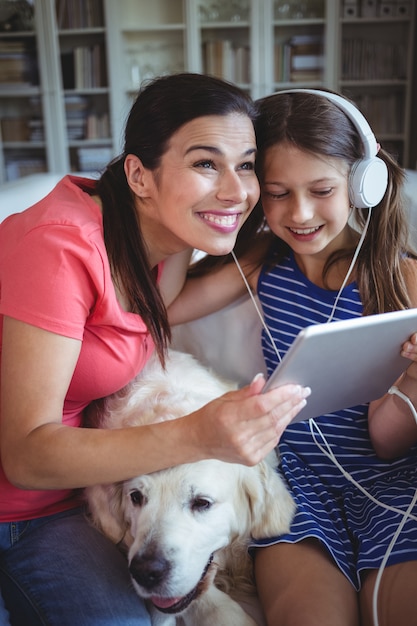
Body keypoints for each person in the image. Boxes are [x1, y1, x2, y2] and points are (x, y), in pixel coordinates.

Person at [0, 73, 311, 626]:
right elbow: (23, 455)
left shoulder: (166, 244)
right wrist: (198, 435)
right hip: (20, 493)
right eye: (204, 163)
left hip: (70, 504)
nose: (237, 191)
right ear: (139, 175)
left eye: (244, 164)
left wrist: (304, 229)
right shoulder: (56, 248)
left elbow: (154, 315)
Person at [167, 89, 417, 625]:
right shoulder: (263, 260)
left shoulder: (404, 279)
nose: (299, 213)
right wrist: (192, 220)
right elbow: (167, 308)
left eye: (322, 189)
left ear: (362, 184)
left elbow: (392, 435)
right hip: (296, 481)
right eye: (277, 193)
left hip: (397, 483)